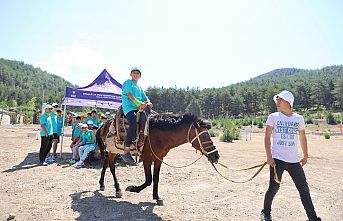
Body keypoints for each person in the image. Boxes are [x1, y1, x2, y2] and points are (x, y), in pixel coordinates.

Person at [260, 91, 321, 221]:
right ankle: (265, 213)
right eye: (277, 100)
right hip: (277, 160)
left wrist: (305, 155)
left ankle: (313, 218)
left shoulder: (298, 119)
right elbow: (267, 137)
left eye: (279, 100)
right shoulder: (273, 117)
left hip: (294, 161)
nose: (277, 102)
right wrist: (269, 157)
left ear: (288, 102)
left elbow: (303, 137)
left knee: (304, 190)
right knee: (273, 188)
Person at [121, 67, 153, 164]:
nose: (135, 74)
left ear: (140, 76)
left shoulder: (139, 88)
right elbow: (130, 95)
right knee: (134, 123)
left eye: (137, 73)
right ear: (131, 74)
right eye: (134, 73)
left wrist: (149, 102)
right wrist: (139, 104)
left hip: (139, 108)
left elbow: (145, 97)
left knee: (151, 122)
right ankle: (126, 151)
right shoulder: (128, 83)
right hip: (129, 108)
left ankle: (143, 145)